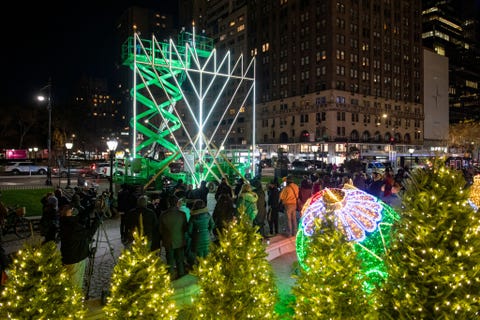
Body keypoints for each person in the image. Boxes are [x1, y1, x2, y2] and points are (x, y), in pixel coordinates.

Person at [59, 203, 101, 291]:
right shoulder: (72, 227)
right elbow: (89, 233)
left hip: (70, 257)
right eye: (72, 211)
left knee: (71, 281)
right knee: (75, 284)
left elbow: (81, 217)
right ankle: (73, 301)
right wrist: (97, 220)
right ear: (69, 214)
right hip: (75, 259)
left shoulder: (65, 221)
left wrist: (92, 206)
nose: (75, 212)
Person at [159, 195, 188, 279]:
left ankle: (171, 277)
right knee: (180, 260)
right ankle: (181, 275)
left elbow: (160, 230)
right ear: (177, 203)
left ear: (169, 203)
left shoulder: (163, 215)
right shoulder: (182, 214)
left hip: (168, 241)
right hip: (180, 240)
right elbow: (185, 228)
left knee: (170, 260)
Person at [187, 199, 215, 266]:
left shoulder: (193, 217)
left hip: (197, 238)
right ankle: (207, 271)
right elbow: (212, 224)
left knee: (200, 257)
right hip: (207, 237)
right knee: (207, 254)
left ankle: (201, 271)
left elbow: (189, 230)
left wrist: (193, 235)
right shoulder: (207, 214)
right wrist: (208, 230)